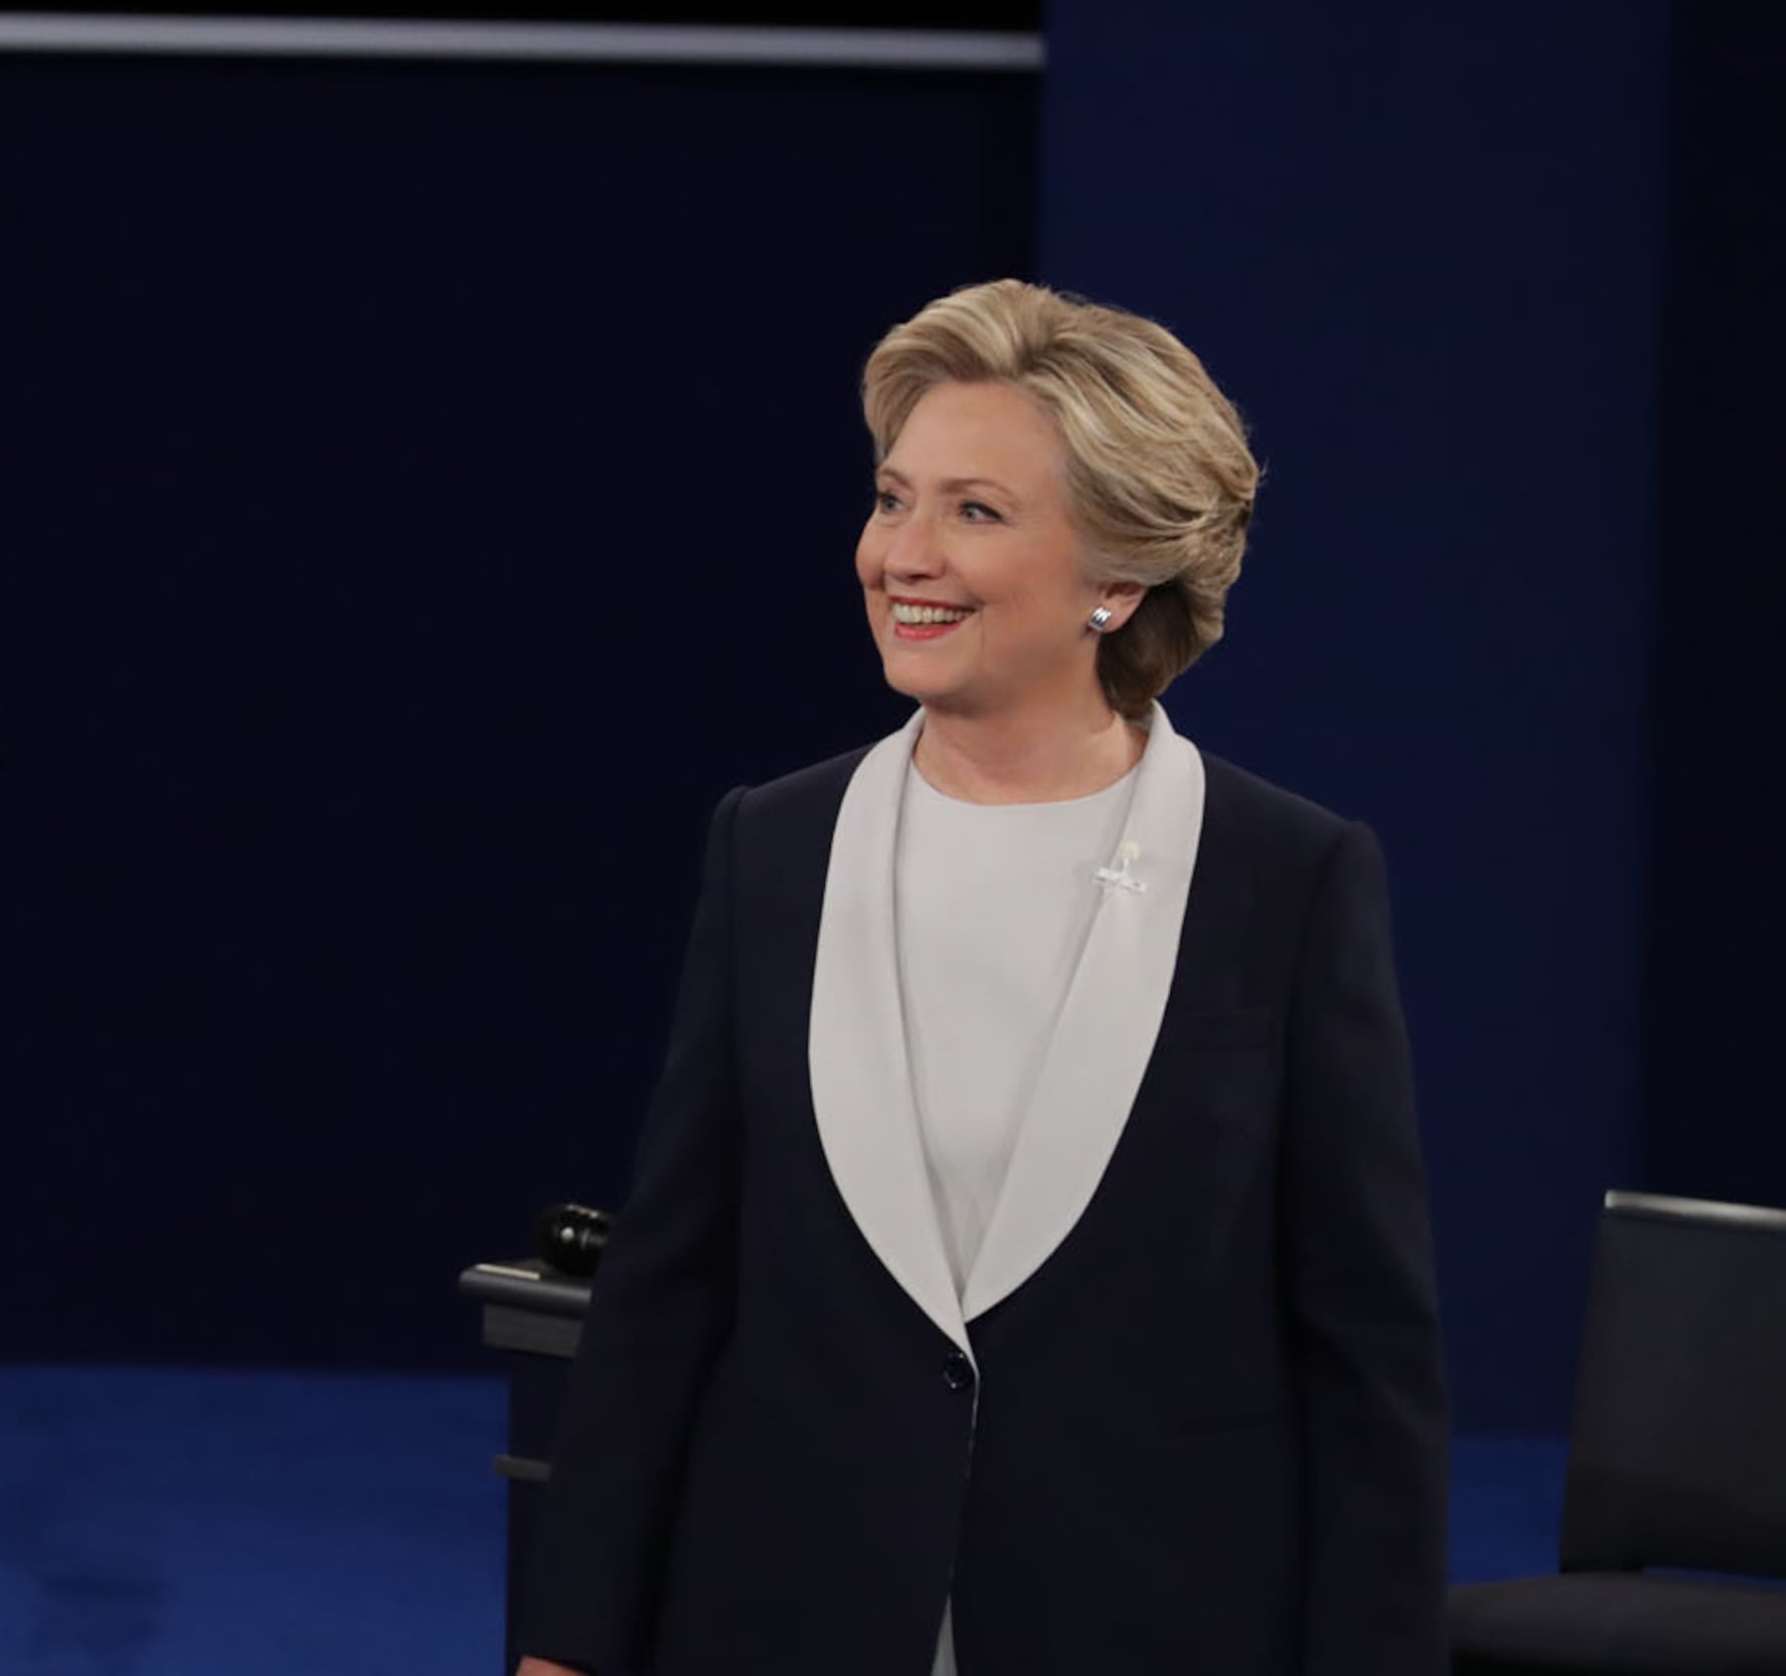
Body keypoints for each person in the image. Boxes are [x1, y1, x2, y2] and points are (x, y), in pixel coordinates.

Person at [512, 281, 1447, 1676]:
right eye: (895, 500)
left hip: (1152, 1621)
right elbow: (674, 1281)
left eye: (977, 512)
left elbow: (1366, 1351)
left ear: (1118, 577)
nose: (903, 554)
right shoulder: (772, 844)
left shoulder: (1287, 877)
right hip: (783, 1615)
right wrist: (570, 1643)